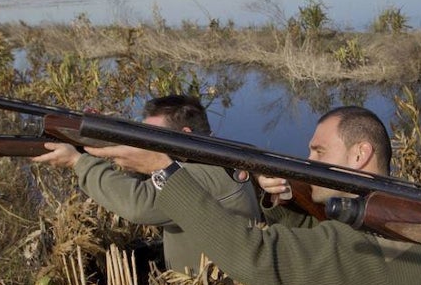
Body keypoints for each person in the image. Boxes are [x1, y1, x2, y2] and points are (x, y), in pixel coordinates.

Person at [66, 105, 421, 285]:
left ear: (360, 154)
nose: (307, 161)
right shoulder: (399, 214)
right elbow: (317, 237)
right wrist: (286, 200)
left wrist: (161, 170)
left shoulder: (368, 250)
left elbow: (252, 256)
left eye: (318, 152)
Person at [33, 94, 260, 275]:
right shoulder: (216, 158)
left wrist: (77, 161)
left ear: (185, 135)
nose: (145, 144)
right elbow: (154, 172)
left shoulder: (205, 174)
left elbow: (138, 204)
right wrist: (108, 136)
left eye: (152, 136)